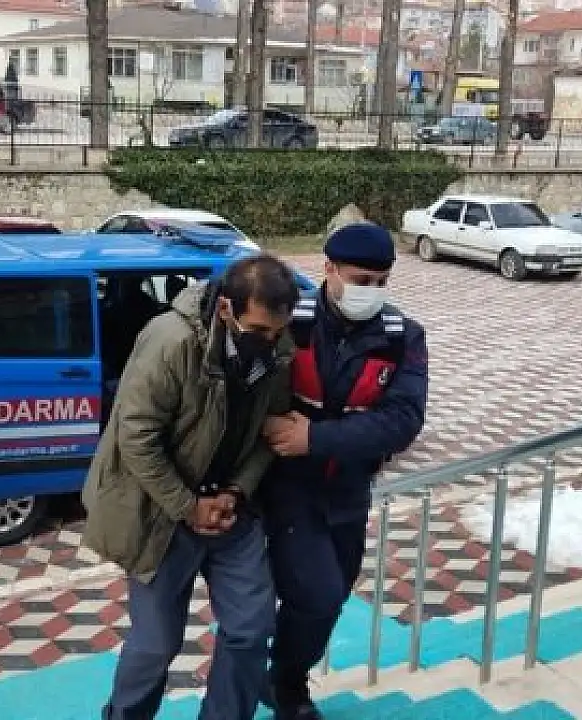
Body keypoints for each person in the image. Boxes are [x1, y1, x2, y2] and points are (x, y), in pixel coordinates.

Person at [82, 255, 300, 720]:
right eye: (259, 330)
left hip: (230, 511)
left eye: (277, 331)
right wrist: (188, 506)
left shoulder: (278, 348)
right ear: (225, 309)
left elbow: (271, 429)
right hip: (161, 512)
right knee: (155, 644)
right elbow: (135, 437)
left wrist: (236, 492)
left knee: (250, 630)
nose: (270, 341)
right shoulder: (171, 341)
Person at [260, 222, 429, 720]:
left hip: (349, 492)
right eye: (360, 280)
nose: (370, 291)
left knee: (332, 595)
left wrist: (315, 437)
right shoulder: (290, 323)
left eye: (381, 281)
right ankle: (285, 684)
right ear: (328, 270)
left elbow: (403, 421)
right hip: (289, 487)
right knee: (317, 593)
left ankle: (285, 674)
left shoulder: (401, 337)